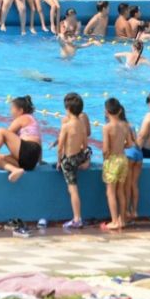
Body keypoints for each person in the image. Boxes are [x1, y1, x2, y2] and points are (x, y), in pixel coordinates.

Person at [58, 93, 90, 229]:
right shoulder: (81, 124)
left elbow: (60, 147)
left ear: (68, 109)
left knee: (73, 190)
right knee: (86, 154)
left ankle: (77, 218)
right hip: (79, 157)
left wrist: (59, 161)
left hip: (69, 161)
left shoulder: (66, 126)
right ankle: (85, 164)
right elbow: (85, 144)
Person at [102, 98, 131, 232]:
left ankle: (114, 221)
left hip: (112, 160)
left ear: (107, 112)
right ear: (119, 110)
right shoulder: (125, 125)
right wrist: (121, 146)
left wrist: (105, 158)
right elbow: (130, 144)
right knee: (121, 191)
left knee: (110, 192)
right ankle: (122, 220)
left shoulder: (107, 127)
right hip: (123, 158)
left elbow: (105, 149)